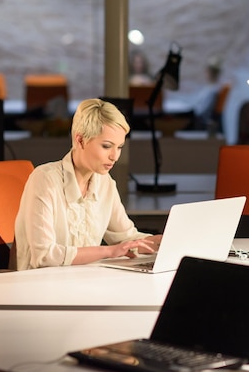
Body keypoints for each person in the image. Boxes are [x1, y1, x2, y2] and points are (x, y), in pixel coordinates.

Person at [14, 98, 162, 270]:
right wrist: (108, 251)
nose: (115, 156)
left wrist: (159, 242)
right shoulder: (44, 179)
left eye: (120, 147)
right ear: (80, 140)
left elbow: (126, 238)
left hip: (82, 282)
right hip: (37, 286)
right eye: (107, 146)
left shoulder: (105, 183)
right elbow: (44, 256)